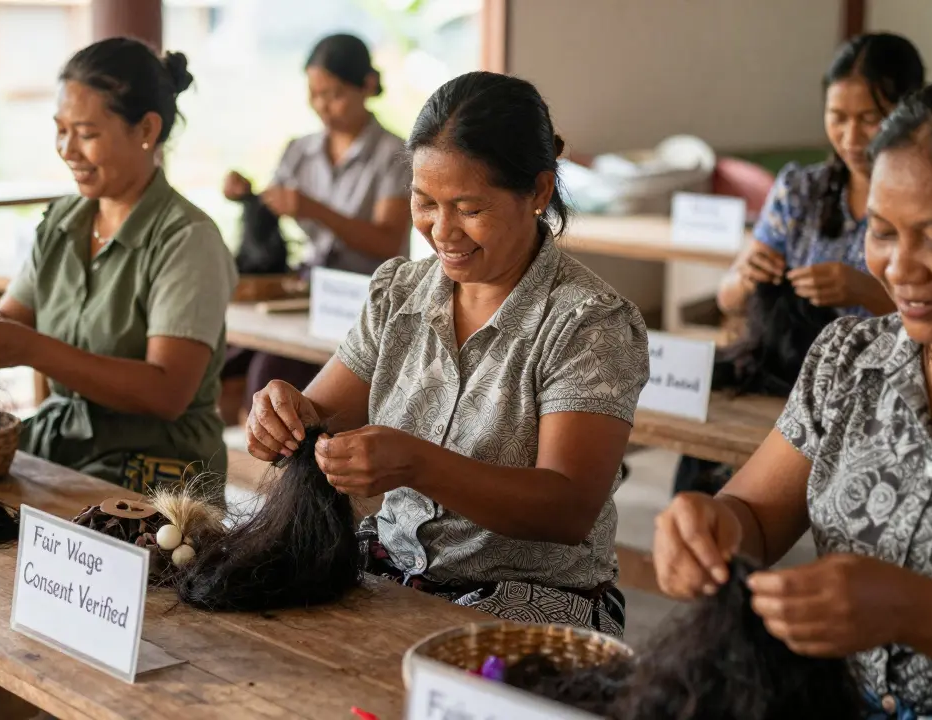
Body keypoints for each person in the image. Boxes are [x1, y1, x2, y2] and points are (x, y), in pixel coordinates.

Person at [246, 71, 649, 634]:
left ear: (538, 190)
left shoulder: (587, 323)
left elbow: (567, 508)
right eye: (424, 202)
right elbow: (317, 412)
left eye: (469, 208)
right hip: (394, 574)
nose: (442, 231)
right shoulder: (400, 294)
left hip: (536, 600)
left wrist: (418, 463)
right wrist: (282, 417)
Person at [653, 74, 932, 717]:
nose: (898, 268)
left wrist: (911, 609)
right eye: (883, 231)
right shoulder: (849, 357)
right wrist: (709, 524)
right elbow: (753, 513)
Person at [0, 38, 236, 488]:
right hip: (64, 447)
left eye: (87, 133)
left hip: (161, 472)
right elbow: (5, 323)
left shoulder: (187, 239)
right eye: (61, 129)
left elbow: (167, 392)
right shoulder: (65, 219)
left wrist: (31, 348)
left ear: (146, 130)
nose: (67, 149)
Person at [677, 33, 925, 496]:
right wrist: (746, 277)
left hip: (882, 377)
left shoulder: (924, 201)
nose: (851, 137)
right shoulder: (800, 190)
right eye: (838, 118)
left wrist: (863, 291)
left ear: (908, 112)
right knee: (709, 409)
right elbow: (728, 300)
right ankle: (702, 533)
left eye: (870, 119)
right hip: (786, 369)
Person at [220, 34, 413, 424]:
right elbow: (274, 204)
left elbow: (387, 240)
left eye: (335, 93)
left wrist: (314, 210)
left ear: (368, 86)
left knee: (268, 375)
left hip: (369, 295)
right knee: (226, 363)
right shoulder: (300, 149)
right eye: (315, 94)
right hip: (310, 287)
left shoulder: (395, 153)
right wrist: (247, 194)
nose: (323, 106)